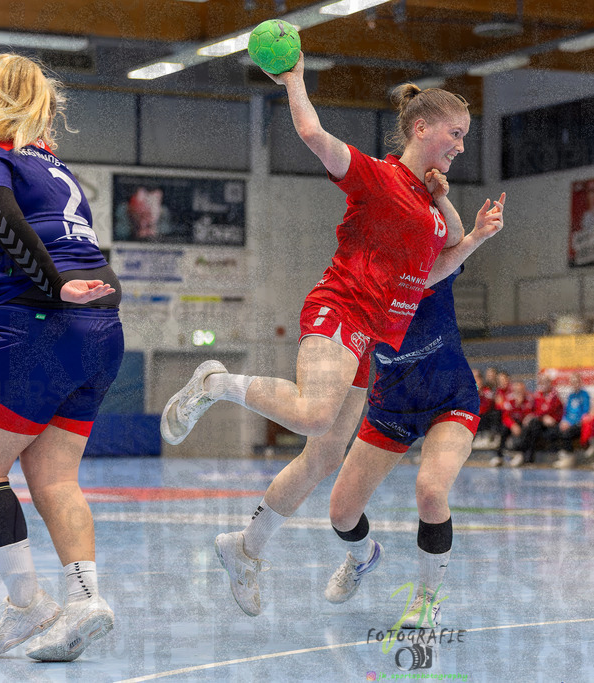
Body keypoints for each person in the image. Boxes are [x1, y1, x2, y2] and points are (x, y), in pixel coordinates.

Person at [161, 58, 503, 616]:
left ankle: (246, 548)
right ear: (422, 128)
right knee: (318, 414)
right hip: (341, 306)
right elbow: (314, 135)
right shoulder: (379, 176)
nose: (462, 146)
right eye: (456, 133)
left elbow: (432, 275)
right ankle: (217, 381)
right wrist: (295, 79)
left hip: (370, 337)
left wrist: (476, 238)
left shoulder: (431, 211)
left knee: (320, 459)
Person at [0, 54, 122, 661]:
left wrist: (50, 288)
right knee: (56, 478)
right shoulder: (53, 165)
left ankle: (28, 603)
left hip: (42, 327)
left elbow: (1, 219)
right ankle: (85, 600)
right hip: (100, 331)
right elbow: (51, 241)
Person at [322, 204, 504, 629]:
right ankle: (364, 557)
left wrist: (442, 198)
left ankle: (427, 598)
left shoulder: (432, 277)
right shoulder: (356, 299)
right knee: (341, 514)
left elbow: (456, 238)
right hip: (390, 410)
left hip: (451, 402)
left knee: (430, 490)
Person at [508, 374, 564, 467]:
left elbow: (547, 409)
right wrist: (539, 416)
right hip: (540, 423)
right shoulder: (538, 394)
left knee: (532, 424)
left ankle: (522, 453)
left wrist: (535, 416)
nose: (543, 384)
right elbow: (536, 410)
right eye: (542, 382)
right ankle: (526, 456)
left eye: (546, 382)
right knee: (532, 426)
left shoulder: (554, 395)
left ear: (550, 383)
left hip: (552, 425)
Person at [489, 381, 532, 467]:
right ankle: (499, 456)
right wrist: (513, 425)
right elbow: (505, 416)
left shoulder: (528, 399)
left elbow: (529, 413)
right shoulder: (509, 399)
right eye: (516, 391)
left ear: (524, 390)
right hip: (512, 423)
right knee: (504, 428)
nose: (518, 393)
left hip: (523, 423)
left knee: (529, 428)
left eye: (521, 390)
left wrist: (520, 405)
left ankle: (521, 455)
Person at [554, 374, 593, 469]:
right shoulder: (570, 396)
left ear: (580, 382)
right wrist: (564, 421)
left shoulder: (585, 395)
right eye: (572, 382)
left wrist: (570, 423)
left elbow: (585, 413)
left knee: (568, 432)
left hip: (579, 423)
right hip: (568, 422)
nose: (574, 384)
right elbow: (566, 412)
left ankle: (570, 458)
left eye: (576, 382)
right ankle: (564, 455)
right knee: (554, 430)